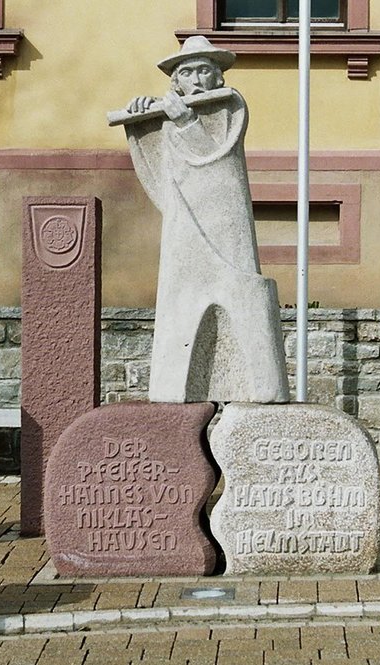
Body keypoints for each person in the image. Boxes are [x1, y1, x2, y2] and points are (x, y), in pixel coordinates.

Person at [117, 36, 290, 404]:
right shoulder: (173, 110)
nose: (196, 80)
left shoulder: (230, 107)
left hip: (225, 225)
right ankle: (174, 385)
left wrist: (187, 121)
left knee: (239, 291)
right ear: (175, 82)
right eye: (187, 72)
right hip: (184, 225)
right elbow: (158, 167)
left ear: (218, 77)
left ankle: (261, 387)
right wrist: (141, 122)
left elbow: (215, 157)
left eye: (204, 71)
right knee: (182, 298)